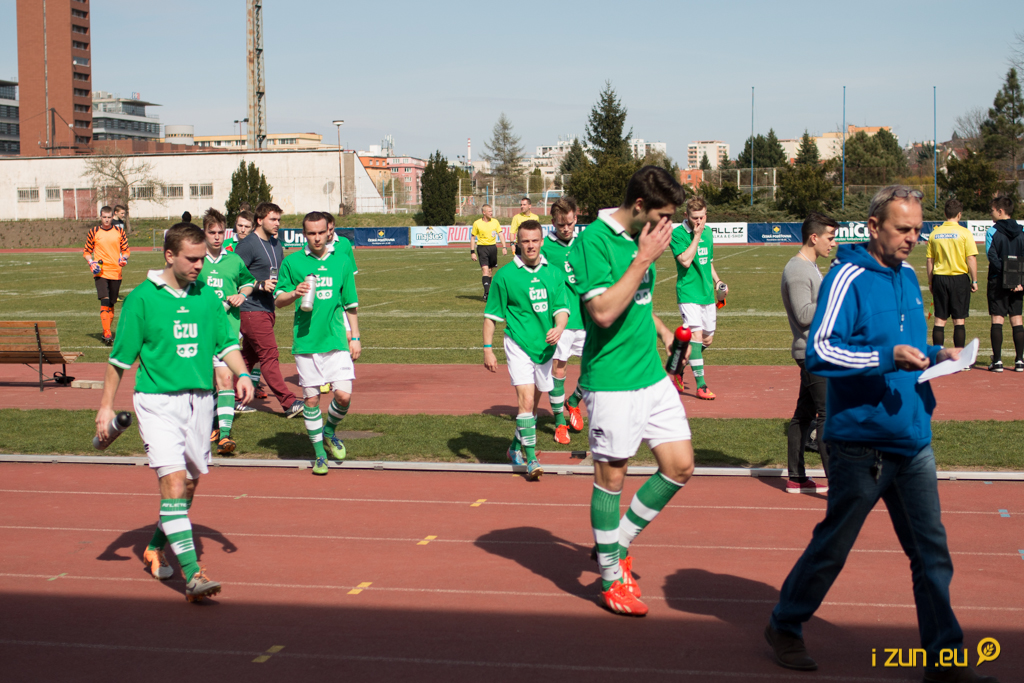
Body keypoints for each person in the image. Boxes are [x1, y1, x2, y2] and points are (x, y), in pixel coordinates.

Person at [764, 186, 999, 683]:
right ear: (873, 227)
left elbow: (907, 345)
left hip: (912, 438)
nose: (913, 238)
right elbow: (821, 350)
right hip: (861, 444)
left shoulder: (909, 275)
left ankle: (944, 659)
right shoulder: (846, 276)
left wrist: (935, 355)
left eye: (917, 229)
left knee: (931, 553)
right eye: (902, 229)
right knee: (835, 545)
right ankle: (784, 623)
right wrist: (884, 358)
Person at [95, 222, 255, 602]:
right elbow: (119, 361)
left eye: (202, 258)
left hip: (200, 402)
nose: (200, 265)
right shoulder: (142, 299)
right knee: (174, 483)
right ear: (169, 255)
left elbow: (226, 343)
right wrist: (105, 407)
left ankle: (154, 546)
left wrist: (243, 373)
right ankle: (193, 576)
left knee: (190, 485)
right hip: (157, 403)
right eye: (192, 259)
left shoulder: (206, 296)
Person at [567, 166, 696, 617]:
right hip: (612, 381)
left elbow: (636, 300)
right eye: (663, 216)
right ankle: (609, 580)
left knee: (680, 466)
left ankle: (617, 543)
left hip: (652, 376)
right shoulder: (594, 242)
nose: (668, 226)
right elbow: (603, 312)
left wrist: (662, 330)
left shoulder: (645, 237)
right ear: (639, 206)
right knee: (612, 479)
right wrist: (643, 258)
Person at [274, 212, 360, 476]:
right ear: (304, 235)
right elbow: (278, 299)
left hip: (336, 339)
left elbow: (350, 304)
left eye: (321, 232)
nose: (317, 238)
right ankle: (320, 455)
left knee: (343, 396)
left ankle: (329, 431)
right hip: (306, 341)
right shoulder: (292, 262)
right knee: (311, 400)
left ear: (329, 231)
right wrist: (294, 293)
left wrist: (355, 337)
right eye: (311, 233)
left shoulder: (341, 260)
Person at [483, 220, 569, 480]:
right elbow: (491, 316)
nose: (530, 245)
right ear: (517, 243)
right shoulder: (505, 276)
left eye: (534, 240)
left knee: (531, 407)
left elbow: (562, 309)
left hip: (544, 348)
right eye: (525, 241)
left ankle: (514, 447)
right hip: (518, 344)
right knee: (527, 401)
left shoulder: (554, 274)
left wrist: (559, 328)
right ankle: (531, 459)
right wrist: (488, 348)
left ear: (541, 241)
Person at [780, 212, 836, 494]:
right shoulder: (799, 270)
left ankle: (796, 477)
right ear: (814, 237)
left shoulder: (810, 266)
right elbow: (803, 315)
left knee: (803, 415)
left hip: (818, 349)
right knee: (828, 415)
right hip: (813, 352)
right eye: (830, 237)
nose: (833, 243)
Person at [236, 202, 303, 417]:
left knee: (248, 357)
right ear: (259, 220)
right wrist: (258, 284)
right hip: (250, 308)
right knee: (269, 355)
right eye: (273, 219)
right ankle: (288, 402)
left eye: (279, 220)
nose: (277, 224)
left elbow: (279, 274)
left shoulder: (276, 243)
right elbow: (234, 276)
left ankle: (231, 398)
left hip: (267, 308)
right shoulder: (248, 244)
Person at [199, 208, 256, 454]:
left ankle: (224, 435)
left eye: (220, 232)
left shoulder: (234, 259)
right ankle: (211, 423)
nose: (217, 237)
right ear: (204, 233)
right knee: (204, 384)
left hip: (227, 331)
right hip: (199, 332)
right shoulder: (195, 259)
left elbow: (249, 281)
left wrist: (242, 295)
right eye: (212, 232)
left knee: (225, 380)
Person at [540, 197, 586, 444]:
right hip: (561, 321)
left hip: (588, 317)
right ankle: (559, 422)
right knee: (559, 368)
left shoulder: (585, 242)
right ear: (553, 222)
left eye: (569, 223)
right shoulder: (545, 247)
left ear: (576, 219)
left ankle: (574, 400)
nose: (566, 229)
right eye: (560, 225)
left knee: (596, 367)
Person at [670, 196, 725, 400]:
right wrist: (696, 236)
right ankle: (701, 386)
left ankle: (679, 364)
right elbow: (685, 261)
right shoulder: (678, 234)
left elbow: (707, 261)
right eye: (695, 218)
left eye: (702, 217)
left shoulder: (708, 232)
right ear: (686, 215)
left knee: (707, 339)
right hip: (688, 293)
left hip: (706, 293)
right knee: (696, 336)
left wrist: (718, 282)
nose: (699, 221)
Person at [926, 199, 978, 350]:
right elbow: (971, 258)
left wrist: (931, 282)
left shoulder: (934, 234)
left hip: (940, 279)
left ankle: (938, 356)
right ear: (959, 214)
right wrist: (974, 280)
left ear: (945, 213)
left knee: (939, 320)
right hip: (959, 279)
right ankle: (959, 357)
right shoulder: (965, 233)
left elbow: (930, 260)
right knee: (959, 320)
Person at [985, 196, 1023, 373]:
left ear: (1000, 211)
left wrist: (1007, 277)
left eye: (992, 210)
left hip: (997, 281)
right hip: (1018, 284)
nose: (990, 213)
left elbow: (992, 257)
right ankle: (1020, 360)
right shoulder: (1022, 231)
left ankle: (998, 361)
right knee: (1017, 319)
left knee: (997, 319)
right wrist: (1018, 281)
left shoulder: (992, 231)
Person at [83, 206, 130, 345]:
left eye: (109, 217)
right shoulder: (94, 232)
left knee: (111, 303)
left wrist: (124, 259)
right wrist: (91, 262)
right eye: (104, 217)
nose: (107, 220)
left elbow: (126, 250)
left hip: (116, 271)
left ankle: (107, 331)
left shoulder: (119, 231)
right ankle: (107, 333)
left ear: (112, 217)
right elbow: (87, 251)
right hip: (100, 272)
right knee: (104, 300)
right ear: (100, 217)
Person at [470, 204, 508, 300]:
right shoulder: (477, 223)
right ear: (484, 212)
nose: (491, 213)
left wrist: (504, 247)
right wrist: (472, 252)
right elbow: (473, 237)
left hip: (493, 248)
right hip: (482, 248)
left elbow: (500, 234)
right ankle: (488, 293)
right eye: (489, 211)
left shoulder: (495, 222)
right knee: (485, 270)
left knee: (490, 271)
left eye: (491, 211)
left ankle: (486, 292)